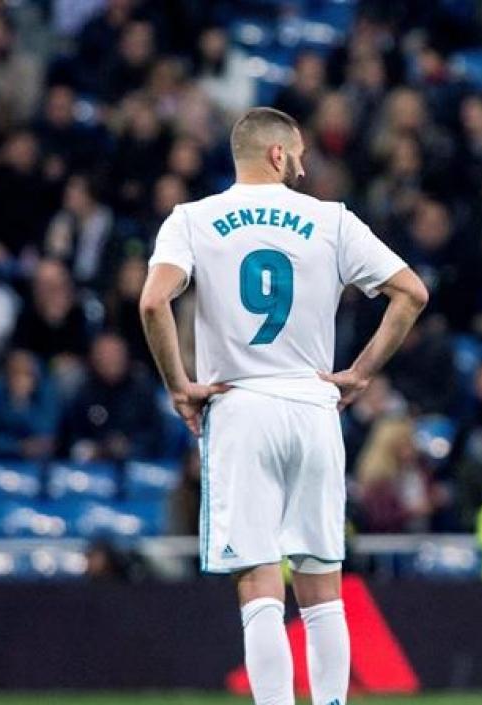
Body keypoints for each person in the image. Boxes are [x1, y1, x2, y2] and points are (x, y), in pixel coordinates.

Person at [140, 107, 428, 705]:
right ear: (277, 154)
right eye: (297, 154)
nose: (302, 165)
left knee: (260, 588)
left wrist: (178, 384)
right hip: (313, 404)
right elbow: (411, 293)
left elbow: (152, 303)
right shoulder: (331, 219)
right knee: (323, 591)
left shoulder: (192, 219)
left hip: (240, 407)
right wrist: (360, 374)